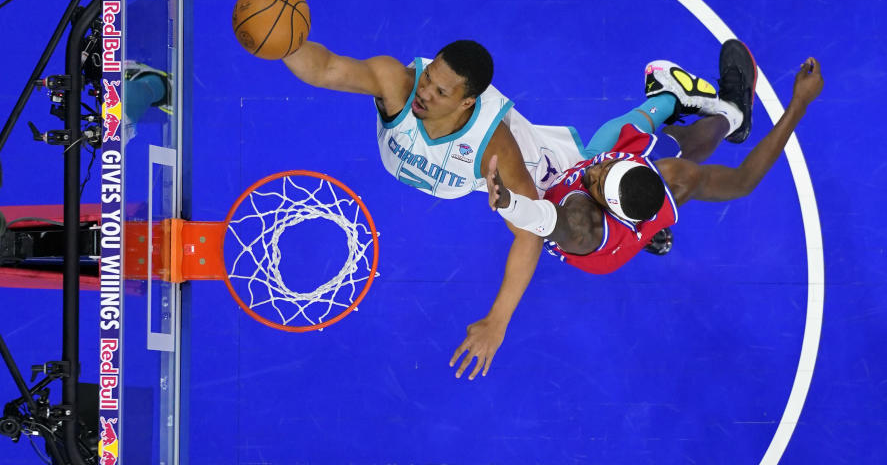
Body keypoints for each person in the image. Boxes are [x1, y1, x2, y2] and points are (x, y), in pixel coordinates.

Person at [274, 37, 754, 379]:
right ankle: (652, 169)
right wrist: (281, 41)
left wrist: (496, 321)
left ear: (467, 103)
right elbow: (326, 68)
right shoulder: (395, 84)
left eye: (441, 92)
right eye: (430, 80)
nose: (425, 94)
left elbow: (528, 232)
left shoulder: (495, 155)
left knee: (668, 154)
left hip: (568, 179)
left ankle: (724, 109)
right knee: (639, 171)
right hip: (558, 195)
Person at [450, 51, 823, 380]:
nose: (593, 169)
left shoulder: (582, 225)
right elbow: (743, 181)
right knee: (644, 147)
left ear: (605, 202)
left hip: (597, 238)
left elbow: (539, 222)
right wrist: (799, 104)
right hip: (631, 197)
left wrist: (506, 202)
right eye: (605, 167)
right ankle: (706, 108)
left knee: (675, 162)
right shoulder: (632, 170)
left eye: (595, 178)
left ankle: (717, 118)